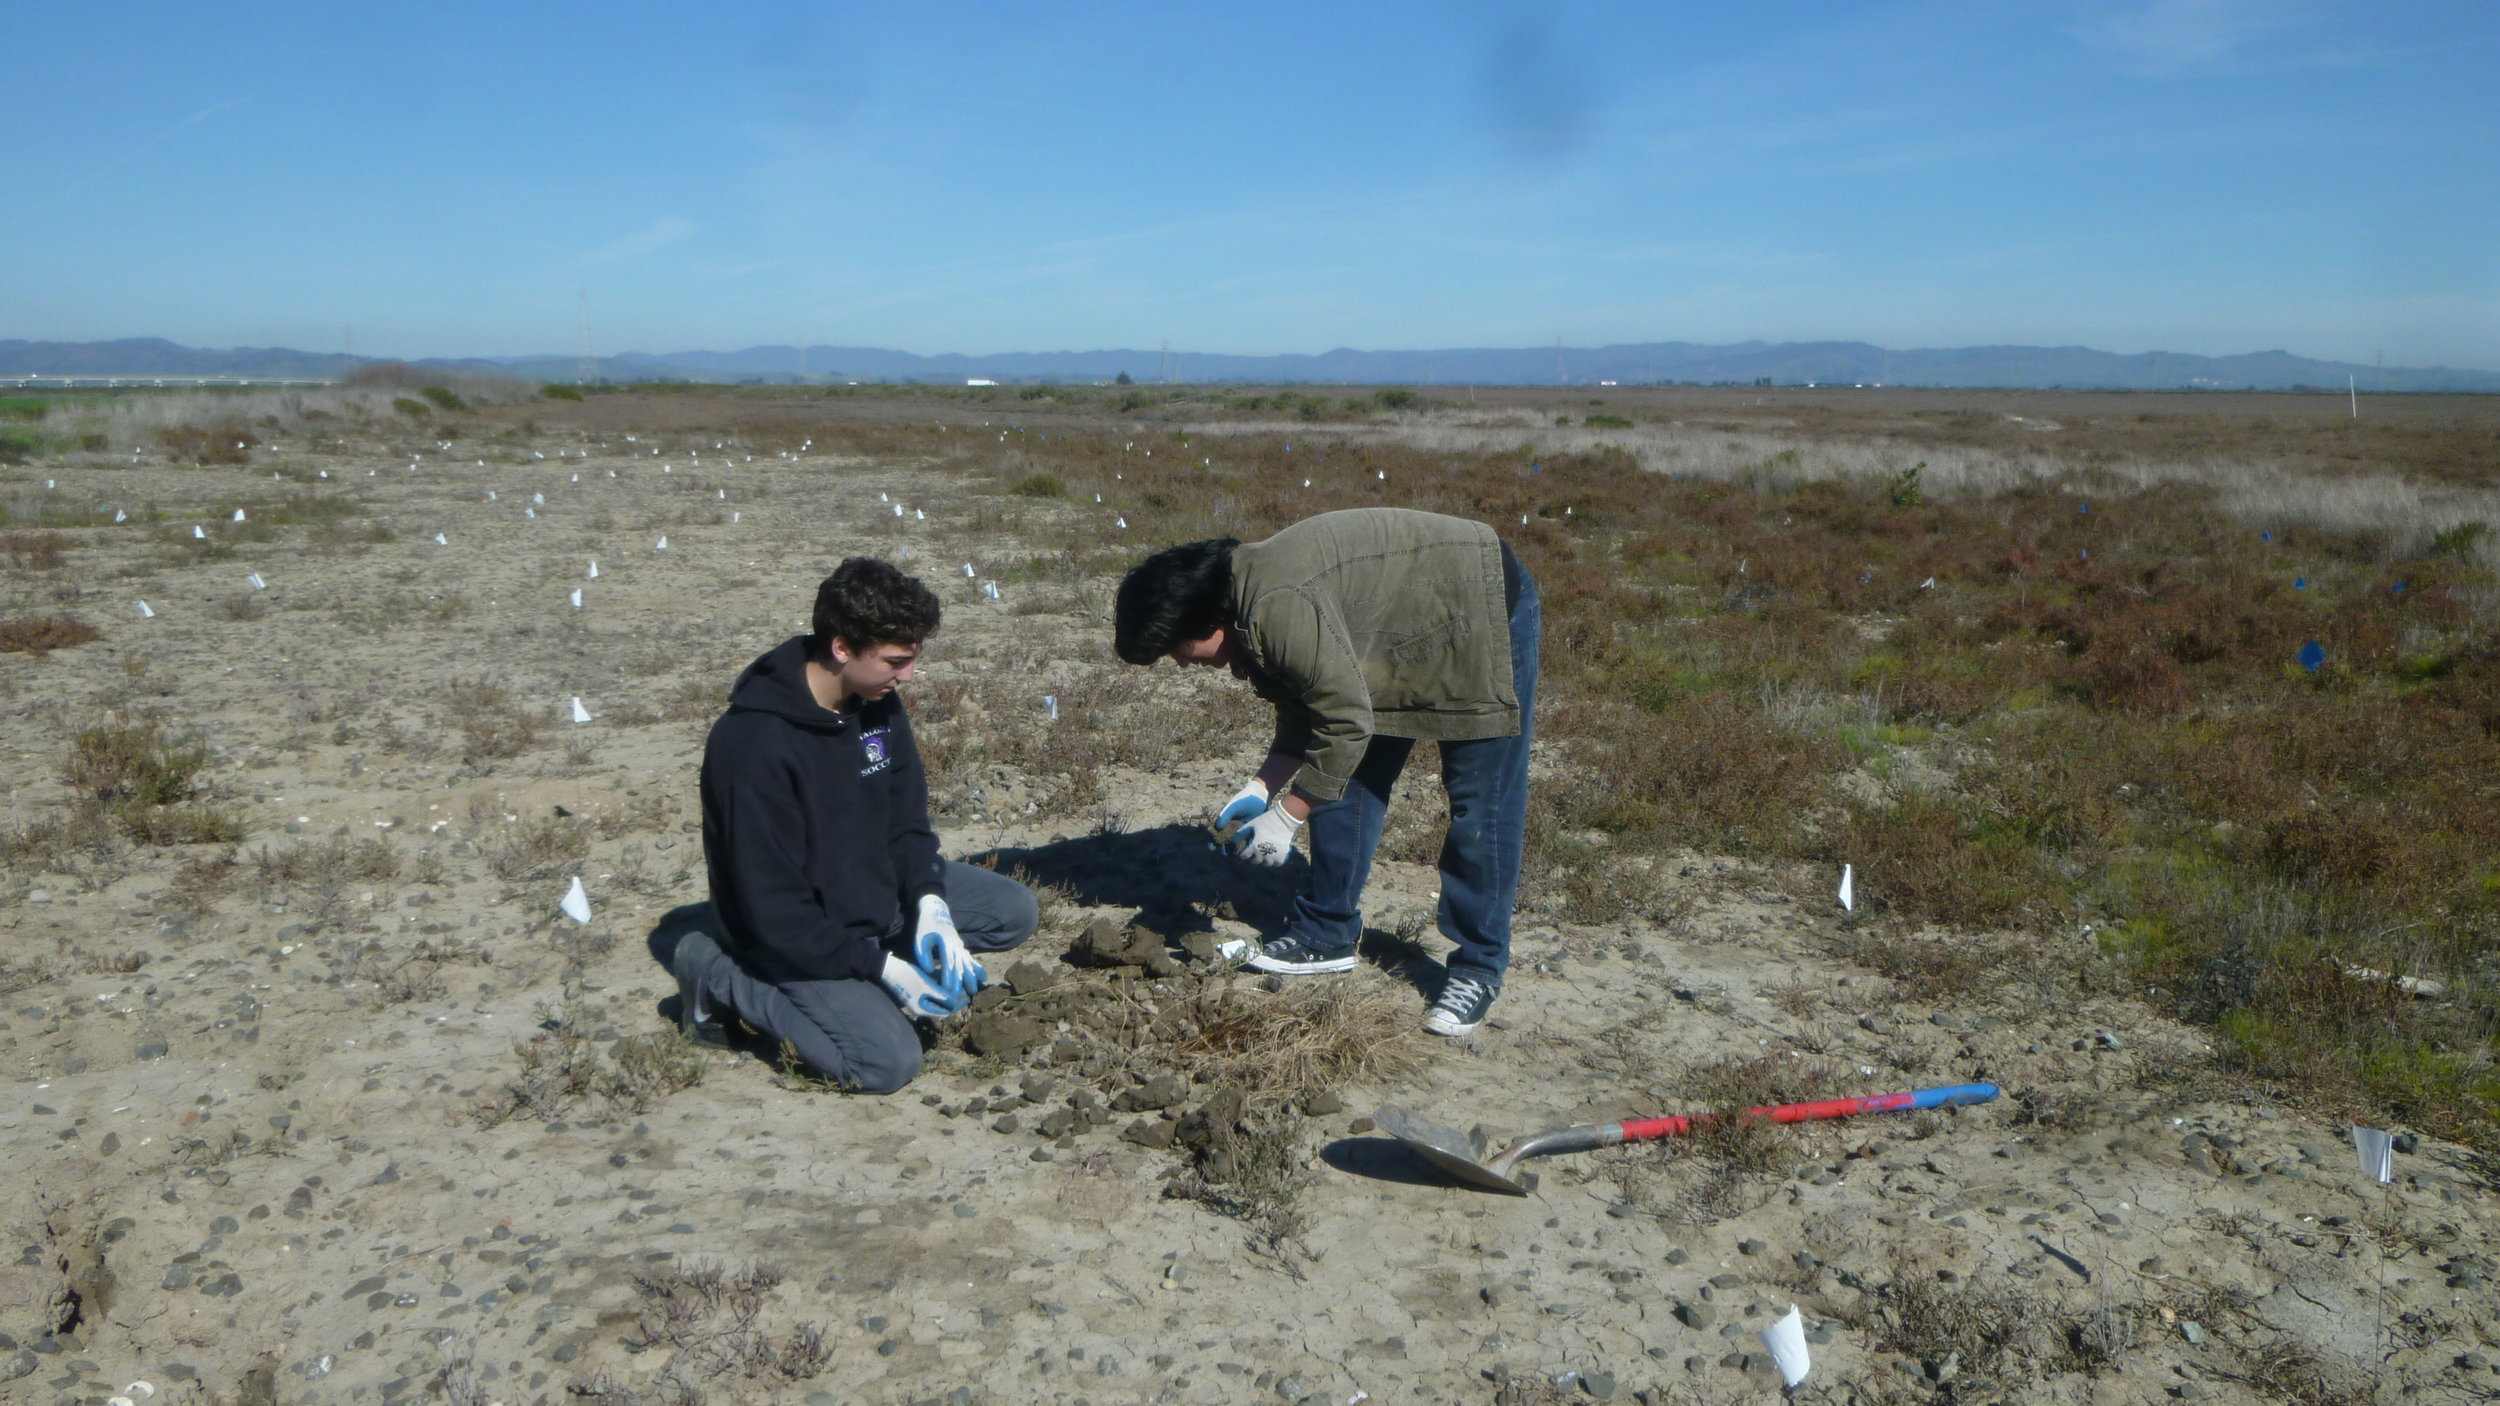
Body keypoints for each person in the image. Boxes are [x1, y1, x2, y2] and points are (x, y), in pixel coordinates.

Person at [1113, 507, 1539, 1037]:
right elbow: (1310, 701)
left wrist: (1287, 817)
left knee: (1483, 803)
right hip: (1393, 624)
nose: (1181, 662)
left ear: (1207, 620)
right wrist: (1263, 785)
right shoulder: (1243, 599)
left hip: (1478, 602)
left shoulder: (1273, 604)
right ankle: (1327, 932)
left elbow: (1343, 723)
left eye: (1178, 648)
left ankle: (1479, 966)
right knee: (1340, 774)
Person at [673, 557, 1037, 1093]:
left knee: (1013, 913)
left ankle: (881, 960)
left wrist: (930, 903)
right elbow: (774, 911)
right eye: (895, 660)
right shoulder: (751, 746)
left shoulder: (876, 700)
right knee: (885, 1064)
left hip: (872, 898)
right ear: (842, 647)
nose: (908, 675)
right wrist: (881, 968)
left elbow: (907, 824)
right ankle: (717, 973)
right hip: (788, 933)